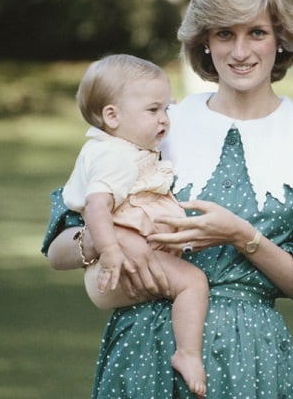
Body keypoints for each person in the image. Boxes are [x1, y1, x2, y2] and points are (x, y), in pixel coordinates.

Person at [42, 0, 293, 398]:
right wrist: (108, 240)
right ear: (205, 41)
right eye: (224, 33)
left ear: (281, 39)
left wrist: (242, 236)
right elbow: (58, 250)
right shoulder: (157, 125)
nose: (240, 51)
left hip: (248, 355)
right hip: (140, 349)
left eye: (256, 32)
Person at [61, 54, 208, 397]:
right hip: (115, 268)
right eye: (154, 110)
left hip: (117, 268)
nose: (164, 120)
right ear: (112, 116)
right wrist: (111, 249)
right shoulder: (115, 156)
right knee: (193, 281)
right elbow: (98, 205)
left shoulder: (118, 150)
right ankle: (187, 354)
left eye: (167, 110)